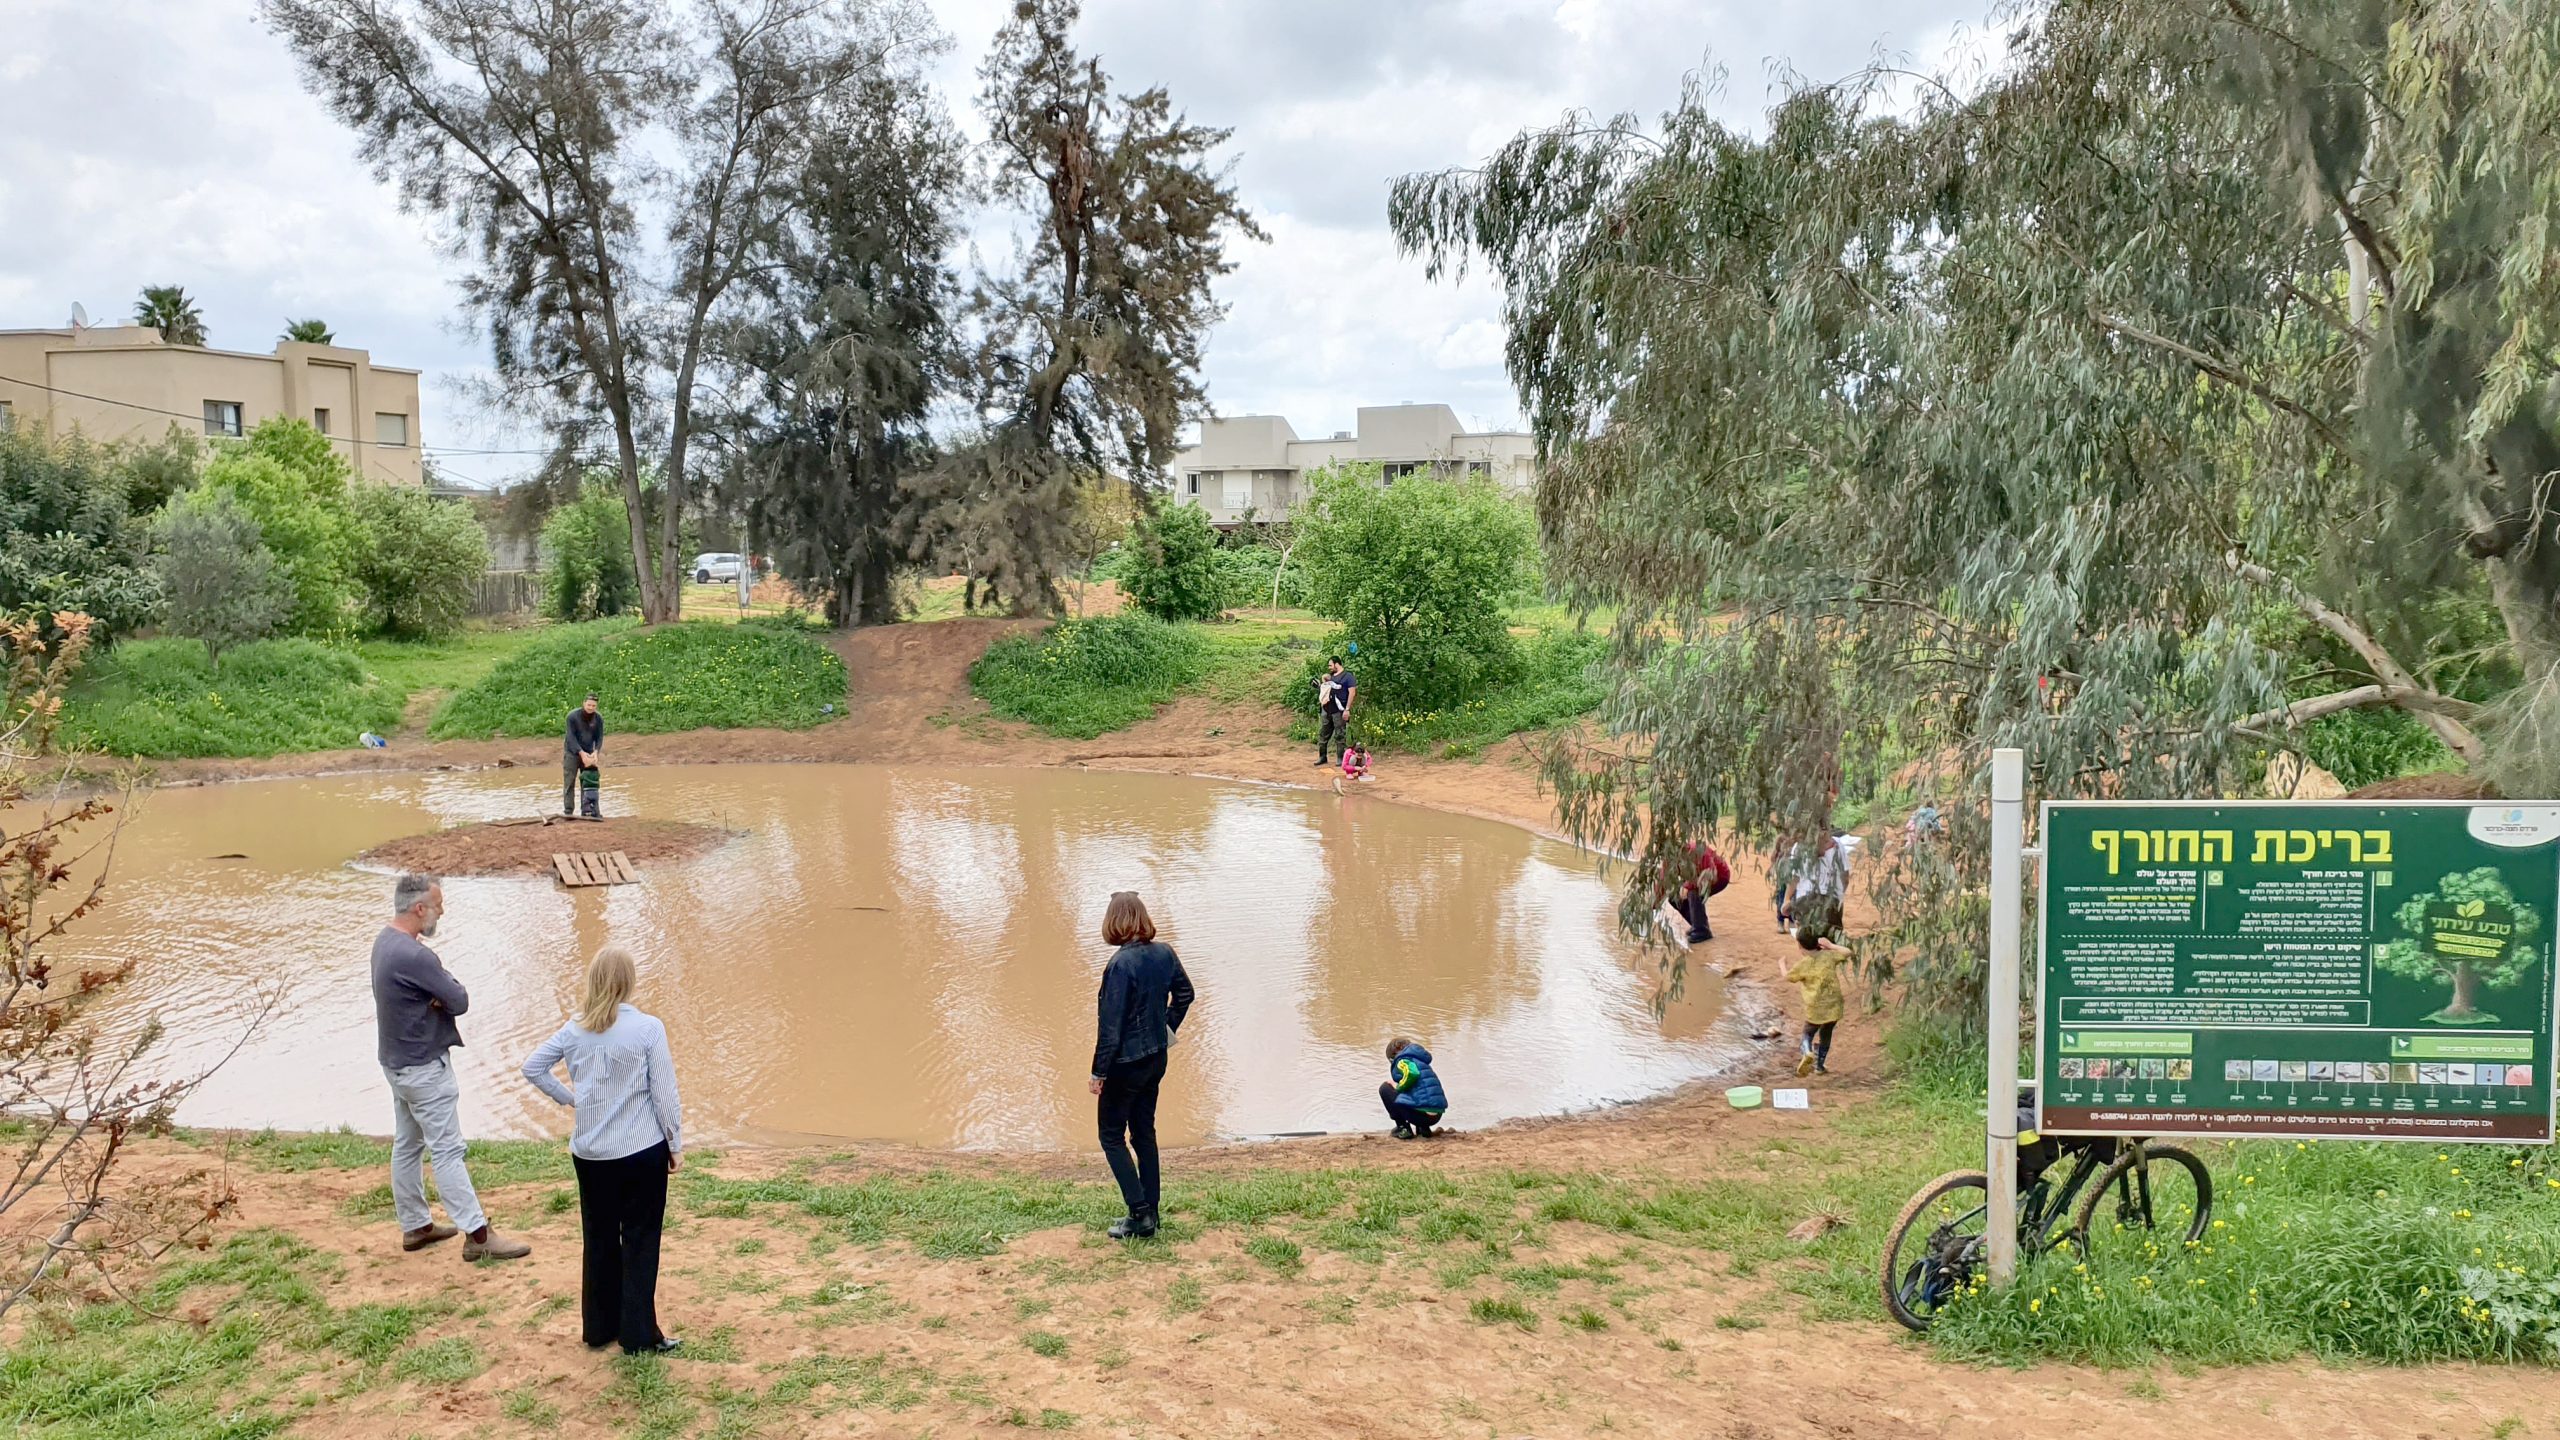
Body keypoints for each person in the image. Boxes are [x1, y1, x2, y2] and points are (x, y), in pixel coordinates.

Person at [521, 947, 684, 1356]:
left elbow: (532, 1067)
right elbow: (665, 1094)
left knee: (599, 1238)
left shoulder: (575, 1029)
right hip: (640, 1150)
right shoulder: (648, 1028)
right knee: (640, 1239)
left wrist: (570, 1098)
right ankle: (639, 1334)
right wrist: (675, 1144)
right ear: (629, 982)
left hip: (590, 1154)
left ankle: (598, 1327)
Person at [370, 873, 531, 1262]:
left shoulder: (384, 941)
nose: (441, 912)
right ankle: (477, 1235)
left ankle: (416, 1225)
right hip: (425, 1068)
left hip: (396, 1064)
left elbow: (440, 996)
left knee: (408, 1144)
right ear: (419, 908)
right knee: (447, 1150)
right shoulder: (417, 956)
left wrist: (433, 995)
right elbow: (458, 999)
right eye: (438, 905)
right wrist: (438, 993)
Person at [1088, 891, 1194, 1239]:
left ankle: (1140, 1213)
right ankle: (1152, 1211)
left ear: (1113, 922)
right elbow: (1185, 995)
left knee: (1111, 1136)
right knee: (1144, 1132)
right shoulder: (1164, 952)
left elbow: (1111, 1027)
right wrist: (1164, 1029)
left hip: (1125, 1064)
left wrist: (1098, 1072)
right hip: (1155, 1058)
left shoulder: (1120, 965)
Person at [1780, 925, 1849, 1076]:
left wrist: (1782, 965)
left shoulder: (1803, 965)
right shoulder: (1828, 956)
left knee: (1807, 1033)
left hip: (1815, 1007)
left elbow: (1788, 977)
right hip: (1833, 1005)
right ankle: (1820, 1067)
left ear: (1800, 946)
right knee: (1826, 1034)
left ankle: (1807, 1051)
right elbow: (1847, 952)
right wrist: (1830, 945)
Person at [1380, 1035, 1448, 1139]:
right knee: (1418, 1089)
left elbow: (1412, 1074)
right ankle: (1423, 1129)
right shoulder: (1419, 1060)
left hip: (1422, 1115)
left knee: (1385, 1088)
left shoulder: (1402, 1060)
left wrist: (1397, 1087)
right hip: (1436, 1115)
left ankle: (1403, 1128)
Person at [1666, 837, 1730, 945]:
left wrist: (1688, 886)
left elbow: (1709, 873)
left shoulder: (1697, 851)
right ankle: (1698, 924)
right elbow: (1663, 879)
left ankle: (1701, 931)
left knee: (1693, 892)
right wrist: (1653, 904)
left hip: (1718, 877)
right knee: (1674, 896)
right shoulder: (1669, 859)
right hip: (1696, 878)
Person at [565, 694, 604, 818]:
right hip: (572, 753)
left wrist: (596, 752)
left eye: (593, 706)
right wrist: (581, 753)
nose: (591, 708)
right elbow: (570, 737)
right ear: (584, 703)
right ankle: (568, 811)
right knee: (569, 782)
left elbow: (599, 737)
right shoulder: (572, 716)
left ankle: (587, 811)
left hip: (589, 752)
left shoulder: (598, 718)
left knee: (587, 782)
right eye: (589, 705)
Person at [1313, 657, 1356, 767]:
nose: (1329, 667)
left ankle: (1340, 758)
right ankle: (1322, 757)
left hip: (1339, 710)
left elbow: (1352, 693)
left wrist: (1347, 709)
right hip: (1327, 709)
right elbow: (1326, 690)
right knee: (1323, 734)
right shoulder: (1330, 677)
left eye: (1330, 665)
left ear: (1337, 664)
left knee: (1340, 734)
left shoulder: (1348, 676)